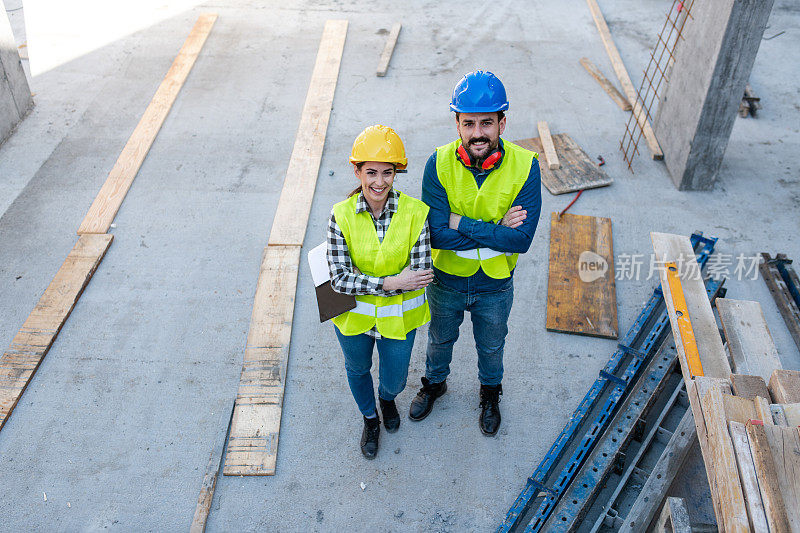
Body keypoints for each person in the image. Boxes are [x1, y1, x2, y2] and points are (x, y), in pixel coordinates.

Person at [409, 71, 542, 436]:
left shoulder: (526, 166)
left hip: (495, 285)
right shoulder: (437, 164)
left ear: (502, 121)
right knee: (439, 340)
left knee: (492, 346)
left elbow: (522, 241)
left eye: (487, 122)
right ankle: (435, 384)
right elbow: (435, 234)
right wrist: (497, 229)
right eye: (469, 123)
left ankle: (490, 393)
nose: (478, 132)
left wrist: (460, 222)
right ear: (457, 123)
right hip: (446, 280)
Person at [327, 124, 434, 458]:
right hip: (353, 318)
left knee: (396, 380)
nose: (379, 182)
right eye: (370, 172)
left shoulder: (416, 213)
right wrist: (390, 283)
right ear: (357, 171)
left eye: (387, 173)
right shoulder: (340, 215)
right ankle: (370, 418)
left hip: (399, 320)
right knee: (357, 370)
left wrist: (366, 279)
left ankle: (387, 400)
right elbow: (338, 281)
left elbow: (419, 276)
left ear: (395, 173)